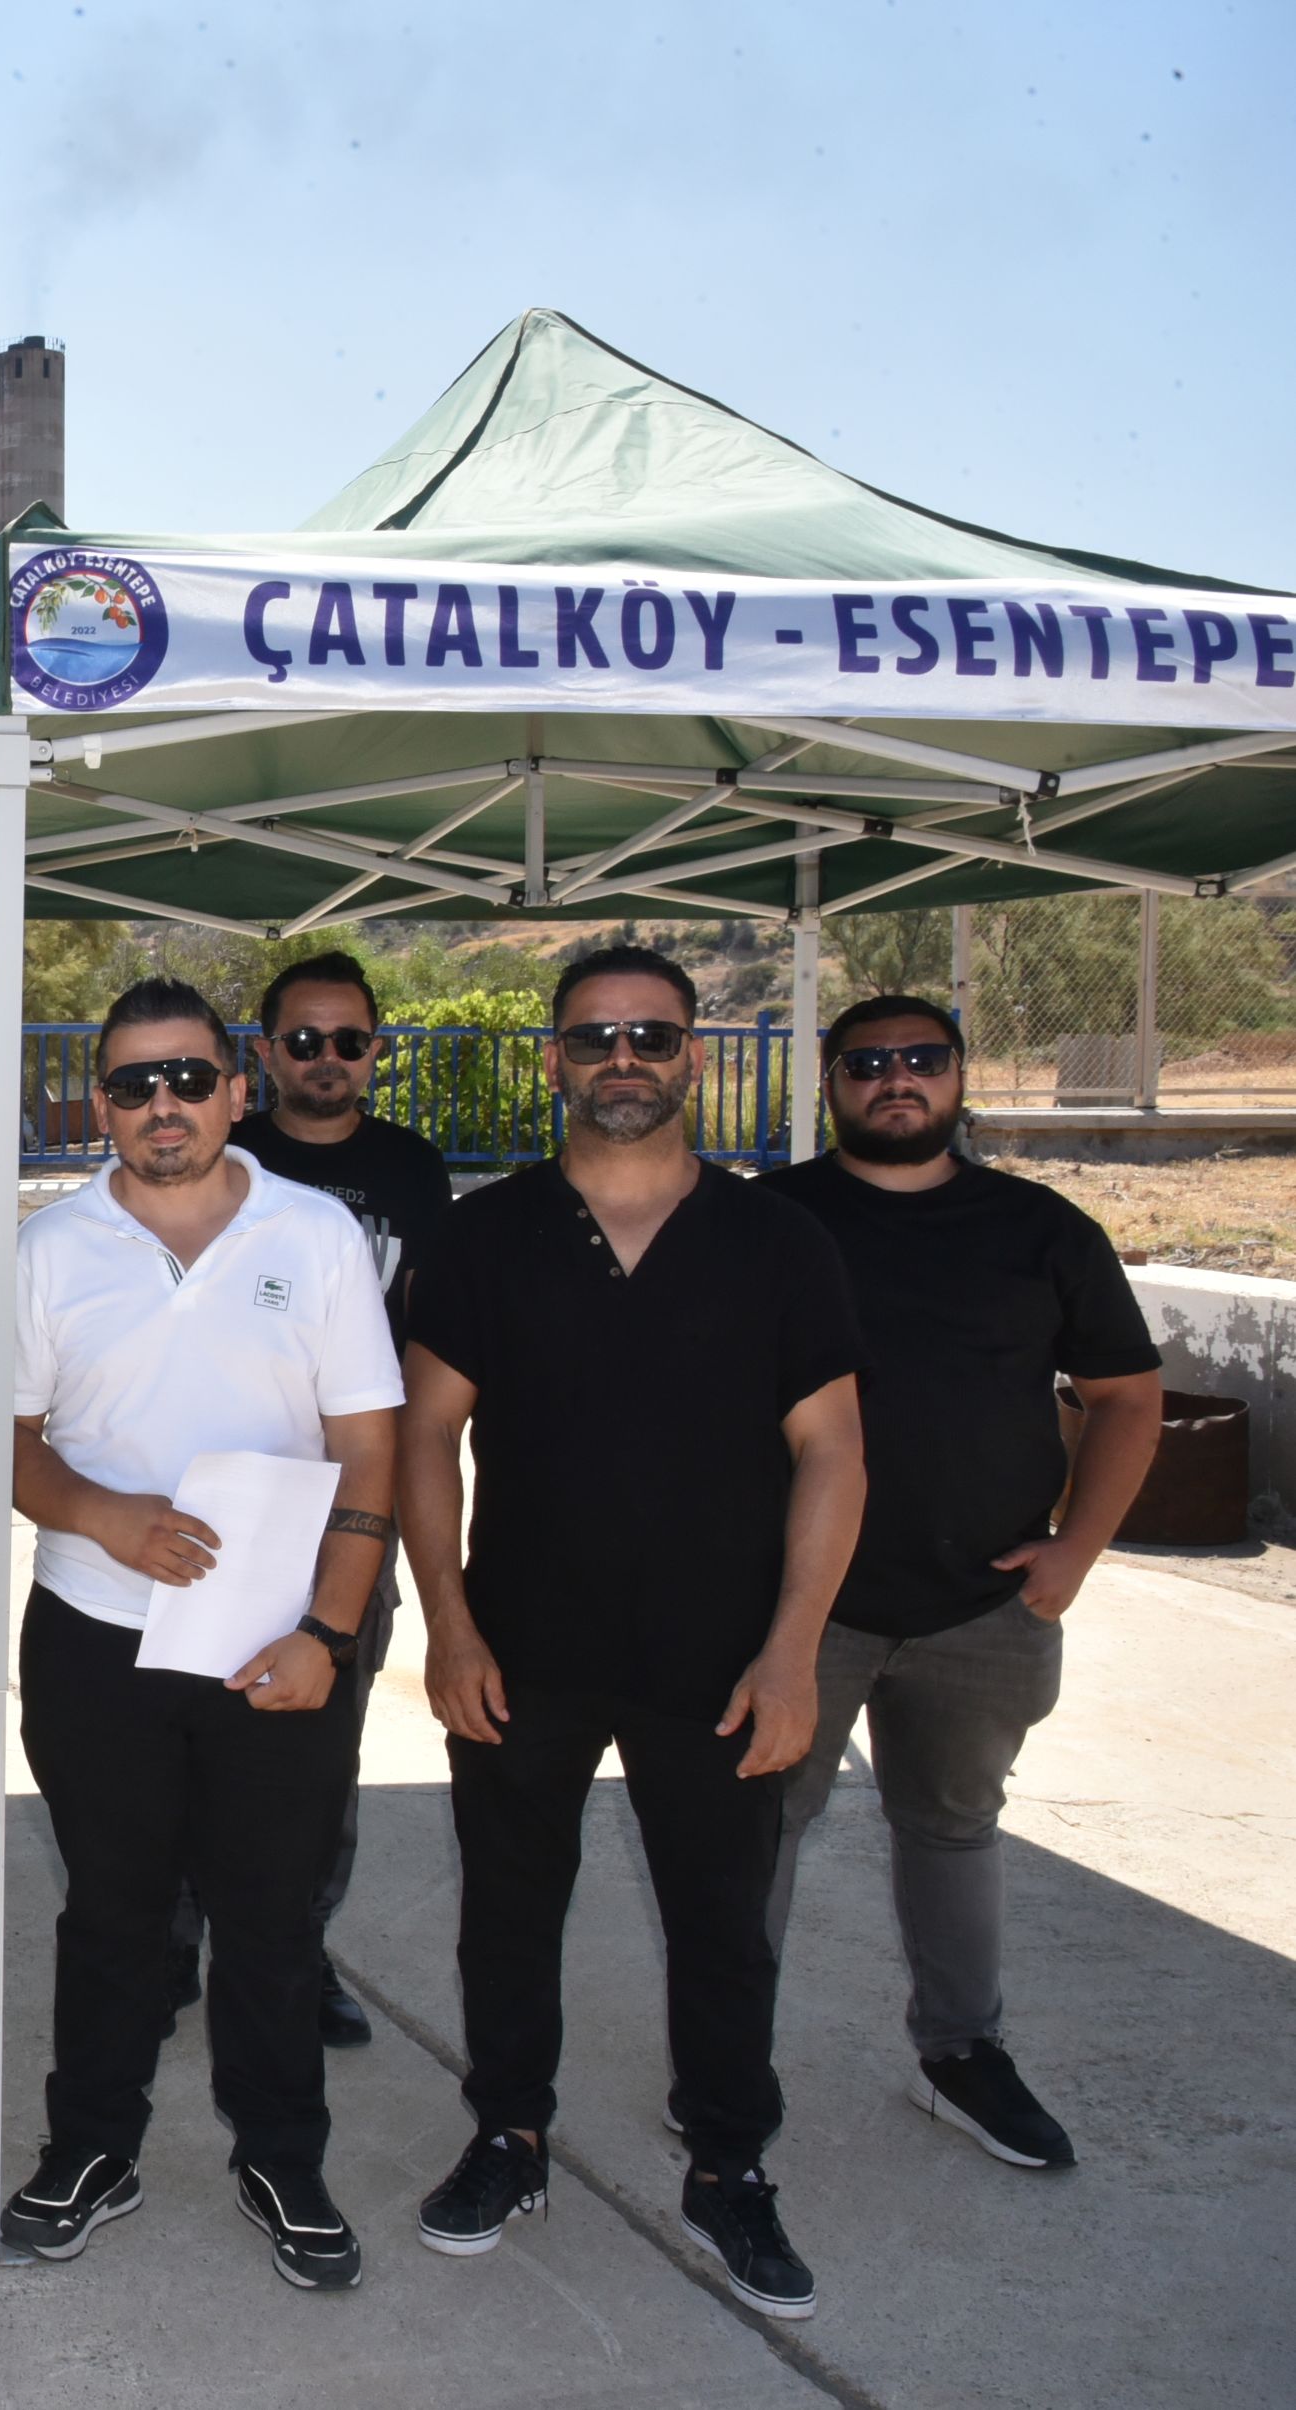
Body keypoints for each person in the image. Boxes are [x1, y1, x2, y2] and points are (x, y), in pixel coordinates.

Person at [399, 944, 865, 2323]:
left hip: (718, 1656)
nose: (622, 1058)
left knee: (722, 1919)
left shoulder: (777, 1239)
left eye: (649, 1036)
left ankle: (728, 2163)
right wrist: (448, 1623)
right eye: (594, 1035)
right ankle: (507, 2134)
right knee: (506, 1907)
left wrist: (793, 1649)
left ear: (692, 1057)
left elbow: (833, 1449)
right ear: (554, 1057)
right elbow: (424, 1437)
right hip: (522, 1644)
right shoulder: (485, 1234)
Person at [0, 978, 403, 2286]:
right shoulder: (50, 1247)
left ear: (236, 1090)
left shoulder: (318, 1234)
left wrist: (329, 1633)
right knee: (111, 1914)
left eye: (185, 1077)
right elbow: (8, 1442)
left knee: (270, 1919)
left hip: (269, 1640)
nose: (160, 1104)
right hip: (93, 1633)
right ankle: (90, 2149)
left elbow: (369, 1447)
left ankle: (282, 2160)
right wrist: (101, 1514)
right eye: (132, 1083)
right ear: (98, 1105)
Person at [765, 994, 1165, 2171]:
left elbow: (1125, 1398)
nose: (895, 1078)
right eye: (867, 1062)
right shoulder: (767, 1223)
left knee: (951, 1827)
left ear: (955, 1074)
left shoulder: (1040, 1229)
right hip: (801, 1607)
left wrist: (1074, 1550)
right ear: (830, 1081)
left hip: (984, 1605)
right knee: (755, 1831)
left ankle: (960, 2054)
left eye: (920, 1059)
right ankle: (726, 2054)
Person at [220, 947, 456, 2048]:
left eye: (348, 1041)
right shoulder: (228, 1156)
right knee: (192, 1721)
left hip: (353, 1500)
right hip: (231, 1491)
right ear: (265, 1052)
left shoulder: (412, 1167)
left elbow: (432, 1337)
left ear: (375, 1051)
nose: (327, 1058)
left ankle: (299, 1948)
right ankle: (177, 1935)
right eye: (303, 1040)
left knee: (324, 1742)